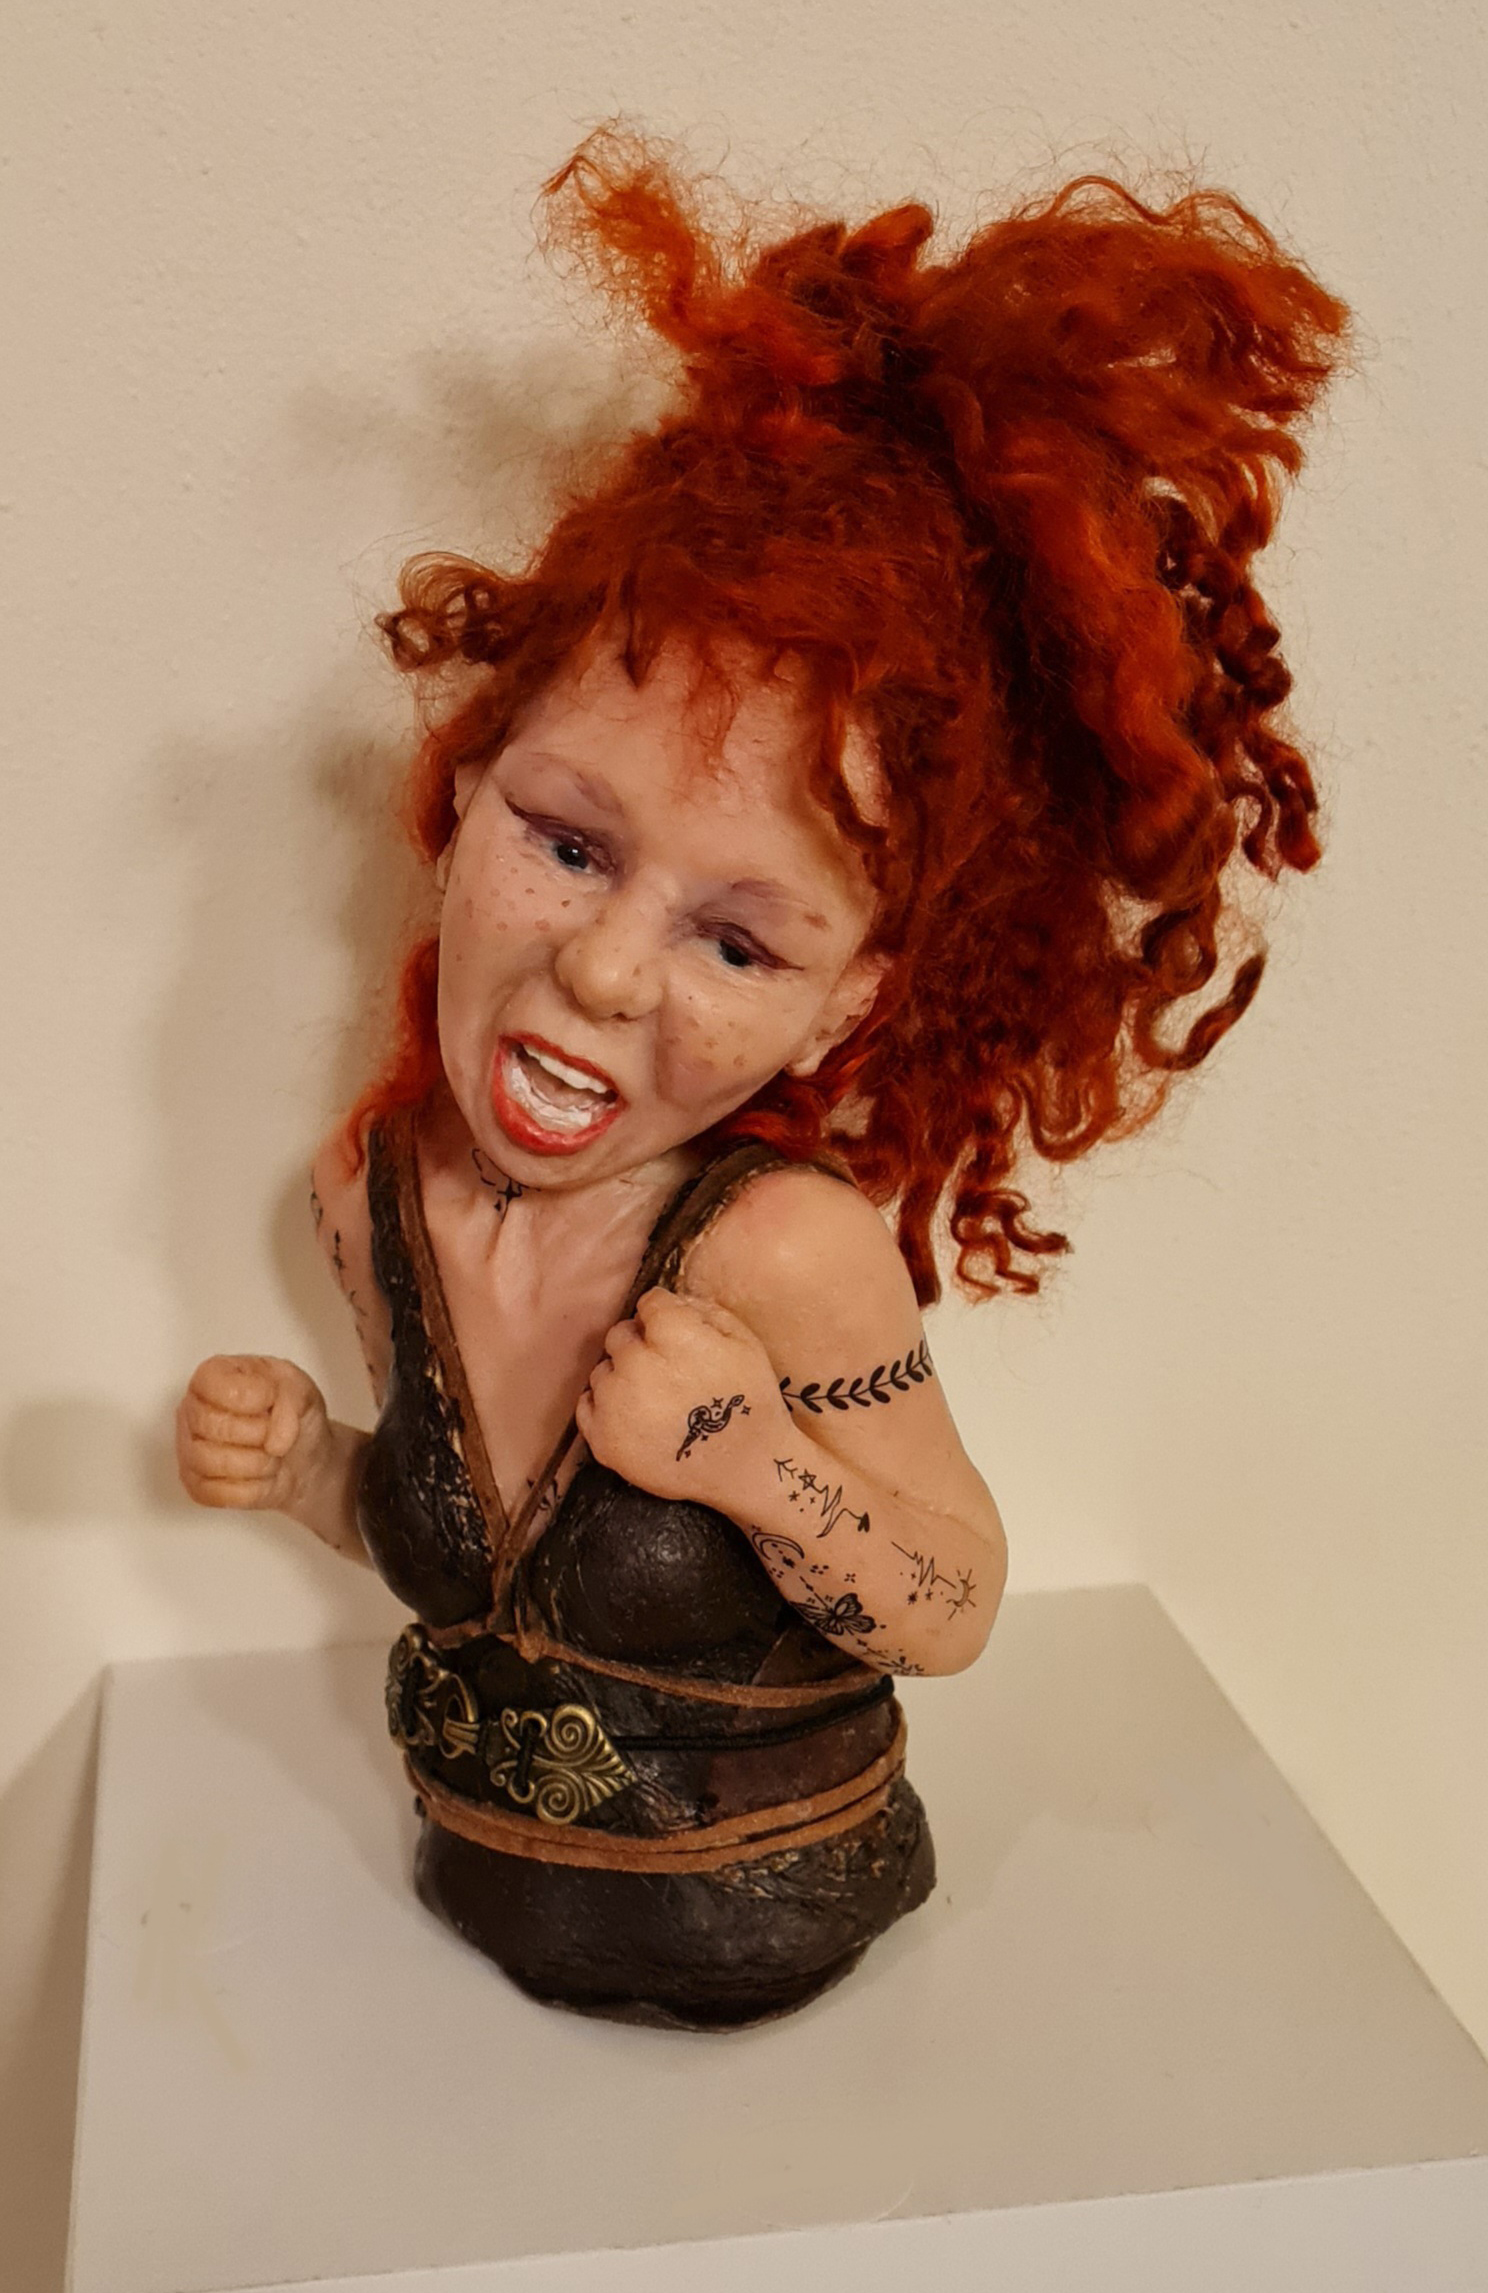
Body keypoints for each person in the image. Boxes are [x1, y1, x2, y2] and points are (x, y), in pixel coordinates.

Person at [176, 130, 1348, 2026]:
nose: (605, 970)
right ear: (462, 792)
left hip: (767, 1913)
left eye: (739, 942)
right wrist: (311, 1464)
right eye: (568, 842)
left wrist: (753, 1459)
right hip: (474, 1892)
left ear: (842, 1005)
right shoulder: (366, 1193)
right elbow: (454, 1546)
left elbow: (955, 1600)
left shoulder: (784, 1255)